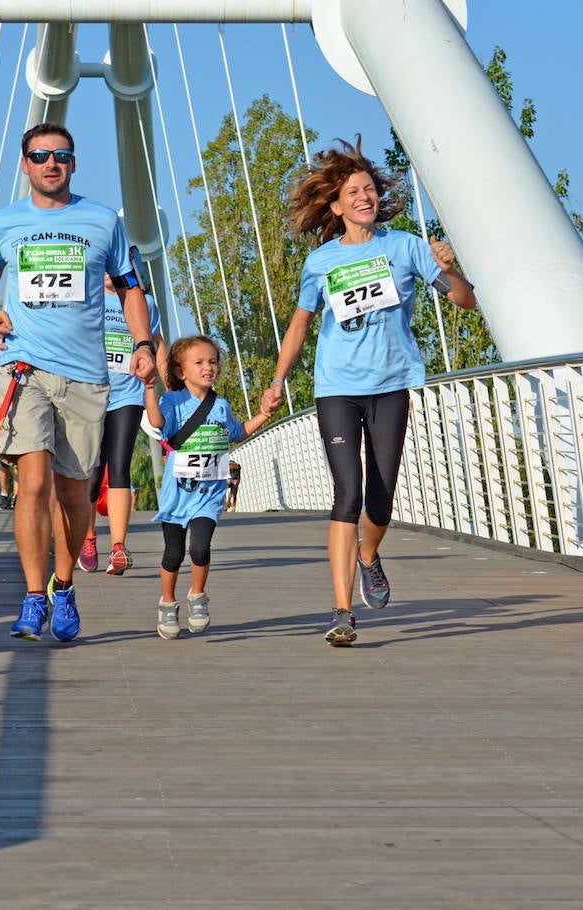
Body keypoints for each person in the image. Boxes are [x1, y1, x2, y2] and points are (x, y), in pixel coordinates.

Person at [261, 137, 477, 646]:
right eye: (353, 192)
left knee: (379, 499)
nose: (364, 197)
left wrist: (447, 267)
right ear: (335, 206)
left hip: (390, 386)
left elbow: (465, 302)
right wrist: (277, 382)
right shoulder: (321, 264)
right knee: (347, 494)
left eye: (369, 190)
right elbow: (298, 328)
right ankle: (341, 611)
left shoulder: (404, 247)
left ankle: (369, 556)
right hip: (337, 388)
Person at [0, 122, 158, 643]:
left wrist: (143, 345)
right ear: (25, 164)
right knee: (32, 482)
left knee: (75, 495)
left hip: (85, 376)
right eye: (40, 156)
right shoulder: (4, 221)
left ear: (74, 163)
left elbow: (130, 288)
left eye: (61, 155)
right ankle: (34, 598)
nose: (51, 163)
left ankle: (63, 584)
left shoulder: (103, 221)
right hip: (24, 366)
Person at [146, 336, 276, 639]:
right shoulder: (173, 401)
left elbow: (237, 432)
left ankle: (198, 596)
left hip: (209, 495)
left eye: (213, 362)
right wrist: (150, 388)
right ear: (181, 372)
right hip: (178, 494)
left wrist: (264, 415)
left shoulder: (220, 405)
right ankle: (167, 602)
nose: (209, 368)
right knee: (173, 553)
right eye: (200, 362)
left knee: (200, 547)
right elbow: (156, 422)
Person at [79, 253, 166, 576]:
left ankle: (118, 547)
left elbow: (157, 344)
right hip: (89, 395)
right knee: (89, 470)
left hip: (127, 395)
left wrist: (167, 388)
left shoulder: (144, 303)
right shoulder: (85, 300)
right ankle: (88, 538)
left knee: (119, 466)